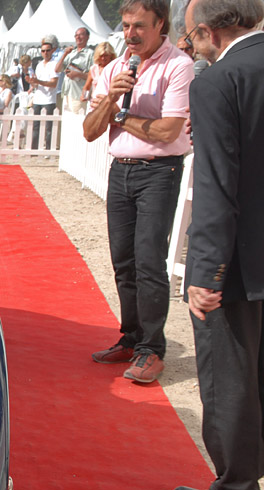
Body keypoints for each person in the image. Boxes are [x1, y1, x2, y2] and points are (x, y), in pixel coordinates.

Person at [172, 0, 264, 490]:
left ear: (207, 31)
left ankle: (237, 488)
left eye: (191, 39)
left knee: (230, 374)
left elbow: (214, 186)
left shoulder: (218, 81)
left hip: (239, 260)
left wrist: (205, 274)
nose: (191, 48)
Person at [83, 0, 193, 384]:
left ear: (160, 24)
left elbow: (167, 131)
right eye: (126, 25)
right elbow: (90, 130)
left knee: (148, 261)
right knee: (123, 260)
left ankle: (151, 349)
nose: (130, 34)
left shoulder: (177, 65)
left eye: (139, 26)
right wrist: (113, 99)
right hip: (121, 172)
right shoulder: (115, 68)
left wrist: (121, 117)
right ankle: (131, 338)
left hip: (159, 172)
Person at [28, 35, 60, 150]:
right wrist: (32, 82)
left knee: (49, 127)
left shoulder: (54, 64)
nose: (45, 53)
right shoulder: (39, 65)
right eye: (43, 51)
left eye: (47, 50)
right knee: (35, 126)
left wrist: (38, 82)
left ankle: (48, 149)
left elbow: (53, 83)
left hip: (49, 99)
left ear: (52, 51)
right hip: (38, 98)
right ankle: (34, 148)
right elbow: (37, 84)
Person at [56, 28, 94, 113]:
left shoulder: (90, 54)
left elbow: (95, 75)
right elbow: (57, 69)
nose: (78, 37)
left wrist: (78, 74)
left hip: (79, 94)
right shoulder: (71, 53)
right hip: (67, 93)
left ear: (87, 37)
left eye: (81, 35)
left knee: (77, 121)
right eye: (76, 35)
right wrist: (65, 54)